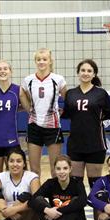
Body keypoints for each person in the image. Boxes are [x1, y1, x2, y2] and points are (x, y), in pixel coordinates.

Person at [62, 59, 110, 191]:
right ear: (78, 73)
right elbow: (67, 114)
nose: (85, 73)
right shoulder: (70, 94)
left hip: (96, 144)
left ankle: (98, 211)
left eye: (89, 71)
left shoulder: (101, 93)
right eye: (83, 70)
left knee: (95, 186)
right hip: (75, 145)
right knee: (76, 186)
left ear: (94, 74)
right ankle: (76, 212)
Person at [22, 48, 67, 178]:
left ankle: (55, 197)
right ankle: (37, 197)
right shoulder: (28, 80)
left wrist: (64, 112)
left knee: (55, 169)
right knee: (34, 170)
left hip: (52, 126)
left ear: (50, 61)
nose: (41, 62)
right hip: (34, 126)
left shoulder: (58, 79)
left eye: (44, 59)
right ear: (35, 61)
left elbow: (68, 99)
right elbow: (21, 94)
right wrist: (28, 109)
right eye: (38, 59)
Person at [28, 155, 87, 220]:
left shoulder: (77, 183)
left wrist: (58, 211)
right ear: (54, 170)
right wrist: (47, 210)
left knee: (76, 201)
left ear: (70, 169)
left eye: (65, 168)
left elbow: (83, 202)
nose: (62, 172)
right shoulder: (50, 183)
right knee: (39, 200)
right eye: (58, 169)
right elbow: (32, 200)